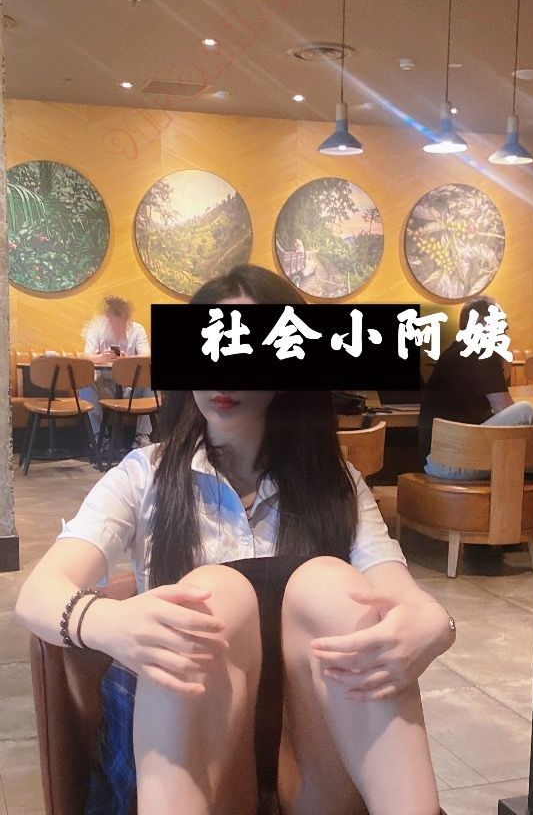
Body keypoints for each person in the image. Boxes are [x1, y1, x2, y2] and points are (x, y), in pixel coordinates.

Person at [16, 265, 453, 815]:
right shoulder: (144, 476)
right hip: (194, 756)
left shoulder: (334, 484)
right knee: (214, 598)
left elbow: (399, 593)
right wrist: (112, 623)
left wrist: (433, 623)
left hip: (311, 764)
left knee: (330, 588)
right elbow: (38, 594)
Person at [419, 295, 533, 481]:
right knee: (527, 412)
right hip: (453, 461)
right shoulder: (482, 350)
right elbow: (504, 408)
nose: (505, 332)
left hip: (439, 459)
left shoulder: (456, 351)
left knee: (525, 440)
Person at [80, 295, 152, 448]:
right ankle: (99, 439)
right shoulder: (96, 328)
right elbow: (86, 357)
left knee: (151, 382)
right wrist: (102, 357)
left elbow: (147, 356)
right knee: (85, 386)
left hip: (131, 387)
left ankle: (141, 437)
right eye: (111, 319)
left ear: (127, 318)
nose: (115, 323)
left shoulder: (137, 330)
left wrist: (127, 360)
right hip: (105, 386)